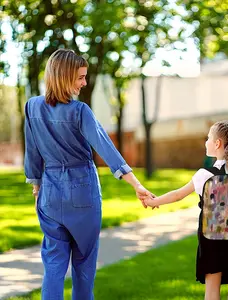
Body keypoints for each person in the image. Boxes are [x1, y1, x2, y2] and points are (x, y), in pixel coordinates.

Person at [24, 48, 153, 300]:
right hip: (82, 191)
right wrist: (136, 184)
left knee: (53, 265)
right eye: (80, 77)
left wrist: (37, 187)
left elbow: (32, 152)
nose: (84, 83)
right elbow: (106, 148)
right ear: (63, 77)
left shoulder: (32, 107)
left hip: (49, 193)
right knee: (83, 265)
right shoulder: (79, 111)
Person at [145, 120, 228, 300]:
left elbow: (178, 195)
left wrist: (154, 202)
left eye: (208, 138)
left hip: (212, 243)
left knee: (211, 293)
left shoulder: (205, 175)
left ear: (217, 144)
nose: (205, 142)